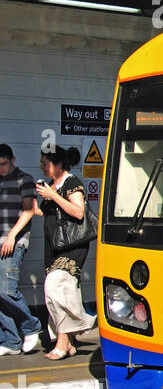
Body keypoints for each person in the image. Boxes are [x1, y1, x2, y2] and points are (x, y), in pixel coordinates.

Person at [34, 146, 96, 360]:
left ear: (58, 164)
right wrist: (35, 207)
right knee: (64, 291)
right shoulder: (53, 185)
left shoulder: (71, 183)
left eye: (45, 163)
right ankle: (70, 342)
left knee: (55, 288)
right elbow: (51, 214)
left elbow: (78, 212)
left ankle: (64, 339)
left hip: (72, 247)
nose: (42, 167)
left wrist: (53, 195)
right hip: (55, 248)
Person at [0, 144, 42, 355]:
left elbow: (29, 210)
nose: (2, 169)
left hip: (13, 241)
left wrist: (11, 236)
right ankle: (10, 341)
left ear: (13, 159)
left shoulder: (24, 179)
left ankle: (31, 326)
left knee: (6, 290)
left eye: (4, 164)